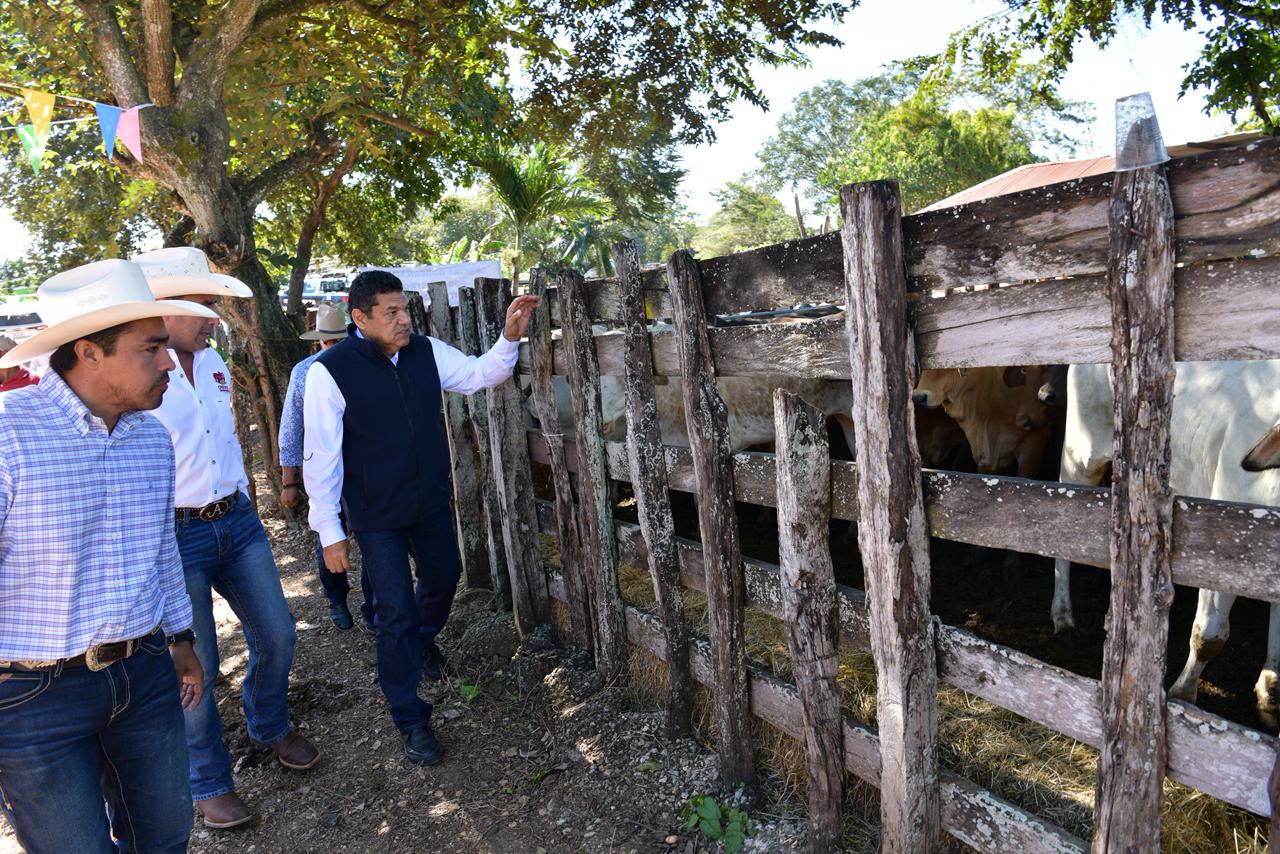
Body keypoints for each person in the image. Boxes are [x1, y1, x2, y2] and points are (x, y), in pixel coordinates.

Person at [0, 259, 211, 853]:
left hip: (143, 674)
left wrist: (180, 637)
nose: (169, 362)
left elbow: (160, 546)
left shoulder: (150, 436)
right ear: (90, 352)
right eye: (152, 349)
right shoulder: (10, 435)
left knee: (165, 836)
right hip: (31, 696)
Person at [303, 271, 537, 764]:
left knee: (443, 578)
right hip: (375, 513)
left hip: (428, 500)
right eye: (391, 312)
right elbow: (320, 456)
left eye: (405, 308)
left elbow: (477, 376)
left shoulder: (425, 350)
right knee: (393, 610)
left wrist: (509, 337)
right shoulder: (329, 371)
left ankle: (421, 642)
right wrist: (330, 532)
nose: (405, 319)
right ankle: (410, 716)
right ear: (360, 318)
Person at [136, 246, 320, 830]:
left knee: (279, 633)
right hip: (175, 533)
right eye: (202, 304)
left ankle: (268, 724)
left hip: (235, 522)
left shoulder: (212, 361)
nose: (213, 316)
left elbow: (226, 445)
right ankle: (208, 780)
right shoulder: (136, 371)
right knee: (198, 666)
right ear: (162, 306)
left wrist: (248, 500)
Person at [279, 301, 375, 630]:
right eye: (328, 341)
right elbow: (291, 427)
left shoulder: (365, 365)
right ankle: (336, 598)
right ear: (319, 341)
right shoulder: (304, 372)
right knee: (329, 537)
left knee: (373, 538)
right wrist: (288, 480)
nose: (333, 346)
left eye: (339, 340)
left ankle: (373, 607)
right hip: (325, 471)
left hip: (364, 469)